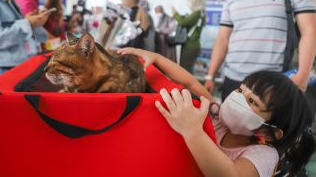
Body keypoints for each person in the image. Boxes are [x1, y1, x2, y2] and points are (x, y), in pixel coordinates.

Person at [118, 47, 315, 177]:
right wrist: (156, 58)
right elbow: (191, 82)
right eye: (241, 90)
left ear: (268, 131)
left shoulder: (263, 154)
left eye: (252, 101)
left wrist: (191, 130)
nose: (237, 98)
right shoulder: (217, 115)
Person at [204, 0, 316, 101]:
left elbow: (310, 31)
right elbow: (222, 39)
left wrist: (303, 76)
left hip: (272, 83)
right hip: (232, 81)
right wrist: (210, 76)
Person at [0, 0, 49, 78]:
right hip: (1, 69)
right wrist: (28, 24)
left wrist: (32, 22)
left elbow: (15, 29)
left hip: (17, 65)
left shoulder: (7, 1)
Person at [172, 0, 206, 73]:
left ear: (195, 1)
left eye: (190, 0)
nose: (189, 2)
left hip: (190, 46)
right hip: (192, 46)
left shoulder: (197, 13)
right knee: (187, 69)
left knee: (185, 71)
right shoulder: (200, 13)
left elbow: (183, 22)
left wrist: (175, 13)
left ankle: (185, 86)